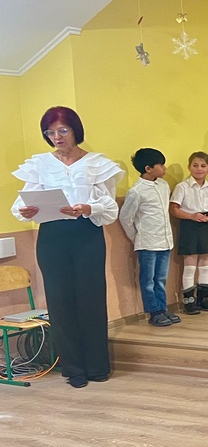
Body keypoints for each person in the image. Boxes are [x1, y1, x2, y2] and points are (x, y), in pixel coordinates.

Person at [11, 106, 125, 388]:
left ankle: (97, 366)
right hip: (52, 236)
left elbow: (109, 208)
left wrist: (88, 208)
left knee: (91, 298)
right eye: (50, 132)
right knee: (60, 301)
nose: (57, 137)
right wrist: (25, 211)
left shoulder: (97, 163)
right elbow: (20, 203)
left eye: (63, 130)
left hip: (86, 233)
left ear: (75, 130)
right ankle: (73, 368)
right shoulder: (40, 164)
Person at [119, 148, 178, 327]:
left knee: (161, 279)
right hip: (147, 243)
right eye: (161, 165)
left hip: (165, 241)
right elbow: (125, 217)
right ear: (148, 168)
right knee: (148, 281)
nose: (165, 168)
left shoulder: (163, 185)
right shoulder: (136, 191)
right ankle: (154, 312)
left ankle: (162, 308)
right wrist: (136, 238)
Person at [169, 152, 208, 315]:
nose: (199, 169)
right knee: (190, 264)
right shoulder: (182, 187)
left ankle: (203, 298)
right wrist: (191, 216)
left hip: (206, 225)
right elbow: (174, 209)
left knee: (205, 263)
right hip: (189, 225)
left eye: (203, 166)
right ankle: (189, 300)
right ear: (189, 167)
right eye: (195, 165)